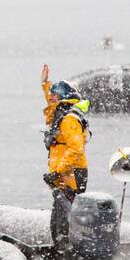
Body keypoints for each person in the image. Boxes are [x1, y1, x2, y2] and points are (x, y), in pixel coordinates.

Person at [40, 64, 91, 246]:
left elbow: (75, 149)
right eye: (52, 93)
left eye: (56, 93)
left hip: (71, 175)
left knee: (64, 221)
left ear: (65, 97)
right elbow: (52, 104)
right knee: (57, 220)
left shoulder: (69, 119)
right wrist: (45, 83)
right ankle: (61, 251)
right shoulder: (60, 113)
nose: (52, 96)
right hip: (62, 174)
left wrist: (58, 171)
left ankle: (67, 255)